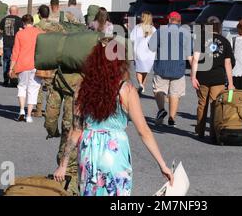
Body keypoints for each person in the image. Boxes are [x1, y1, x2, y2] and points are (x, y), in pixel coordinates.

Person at [53, 38, 174, 196]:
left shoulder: (81, 89)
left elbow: (75, 130)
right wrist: (162, 165)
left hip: (89, 153)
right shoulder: (126, 90)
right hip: (115, 152)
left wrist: (63, 165)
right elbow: (144, 131)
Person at [35, 4, 82, 195]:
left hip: (71, 127)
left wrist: (51, 129)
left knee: (68, 165)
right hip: (95, 129)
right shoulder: (86, 64)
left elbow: (52, 109)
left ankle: (70, 190)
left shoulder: (60, 73)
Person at [191, 16, 235, 139]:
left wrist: (193, 77)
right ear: (219, 28)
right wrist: (230, 83)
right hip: (218, 78)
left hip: (202, 76)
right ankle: (214, 132)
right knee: (215, 105)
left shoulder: (201, 40)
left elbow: (195, 59)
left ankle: (199, 130)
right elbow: (228, 63)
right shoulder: (225, 41)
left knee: (202, 104)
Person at [150, 12, 192, 127]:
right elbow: (189, 54)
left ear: (169, 20)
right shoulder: (186, 33)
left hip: (161, 67)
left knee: (158, 89)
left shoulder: (160, 31)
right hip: (178, 69)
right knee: (175, 93)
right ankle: (172, 118)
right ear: (180, 21)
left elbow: (151, 47)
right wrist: (193, 72)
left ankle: (162, 110)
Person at [9, 15, 43, 123]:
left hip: (22, 65)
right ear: (32, 22)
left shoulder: (20, 34)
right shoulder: (40, 33)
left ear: (23, 23)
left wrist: (11, 68)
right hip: (35, 65)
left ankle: (21, 110)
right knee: (33, 89)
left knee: (22, 87)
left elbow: (15, 52)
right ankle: (29, 115)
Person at [0, 6, 24, 87]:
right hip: (16, 44)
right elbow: (21, 31)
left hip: (7, 44)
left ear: (10, 11)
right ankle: (14, 79)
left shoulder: (4, 19)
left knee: (6, 61)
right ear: (17, 11)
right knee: (15, 62)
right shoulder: (19, 20)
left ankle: (6, 80)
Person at [129, 11, 156, 94]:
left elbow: (131, 38)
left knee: (139, 70)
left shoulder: (137, 27)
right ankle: (142, 86)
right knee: (145, 70)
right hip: (150, 54)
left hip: (139, 52)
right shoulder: (153, 29)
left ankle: (141, 84)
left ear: (143, 17)